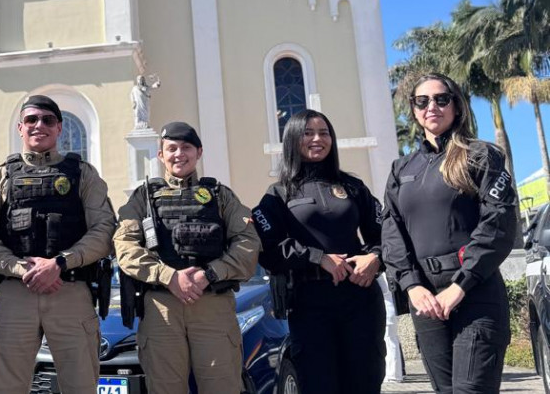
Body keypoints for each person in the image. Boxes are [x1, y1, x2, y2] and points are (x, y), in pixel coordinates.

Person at [0, 95, 116, 394]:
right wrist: (23, 268)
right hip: (14, 294)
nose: (40, 126)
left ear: (59, 128)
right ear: (20, 127)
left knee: (81, 386)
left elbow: (104, 231)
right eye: (32, 120)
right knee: (5, 387)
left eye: (48, 120)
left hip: (71, 291)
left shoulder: (84, 175)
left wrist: (59, 263)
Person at [382, 73, 517, 394]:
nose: (432, 106)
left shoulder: (481, 155)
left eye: (442, 99)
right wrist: (412, 286)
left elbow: (498, 223)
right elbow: (391, 231)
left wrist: (460, 286)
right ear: (413, 111)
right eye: (422, 101)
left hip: (475, 294)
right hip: (425, 301)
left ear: (456, 106)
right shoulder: (401, 170)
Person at [114, 121, 260, 394]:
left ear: (199, 152)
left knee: (222, 387)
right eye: (171, 148)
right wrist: (168, 277)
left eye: (186, 147)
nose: (179, 154)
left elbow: (248, 244)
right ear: (160, 155)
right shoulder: (143, 198)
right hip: (162, 309)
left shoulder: (221, 196)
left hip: (212, 307)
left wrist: (210, 274)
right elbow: (124, 246)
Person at [252, 110, 385, 394]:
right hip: (310, 305)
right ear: (292, 140)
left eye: (324, 133)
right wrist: (318, 258)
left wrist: (375, 258)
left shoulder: (353, 187)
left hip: (360, 300)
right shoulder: (277, 194)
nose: (317, 139)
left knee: (365, 383)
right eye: (308, 133)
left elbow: (387, 234)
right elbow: (268, 250)